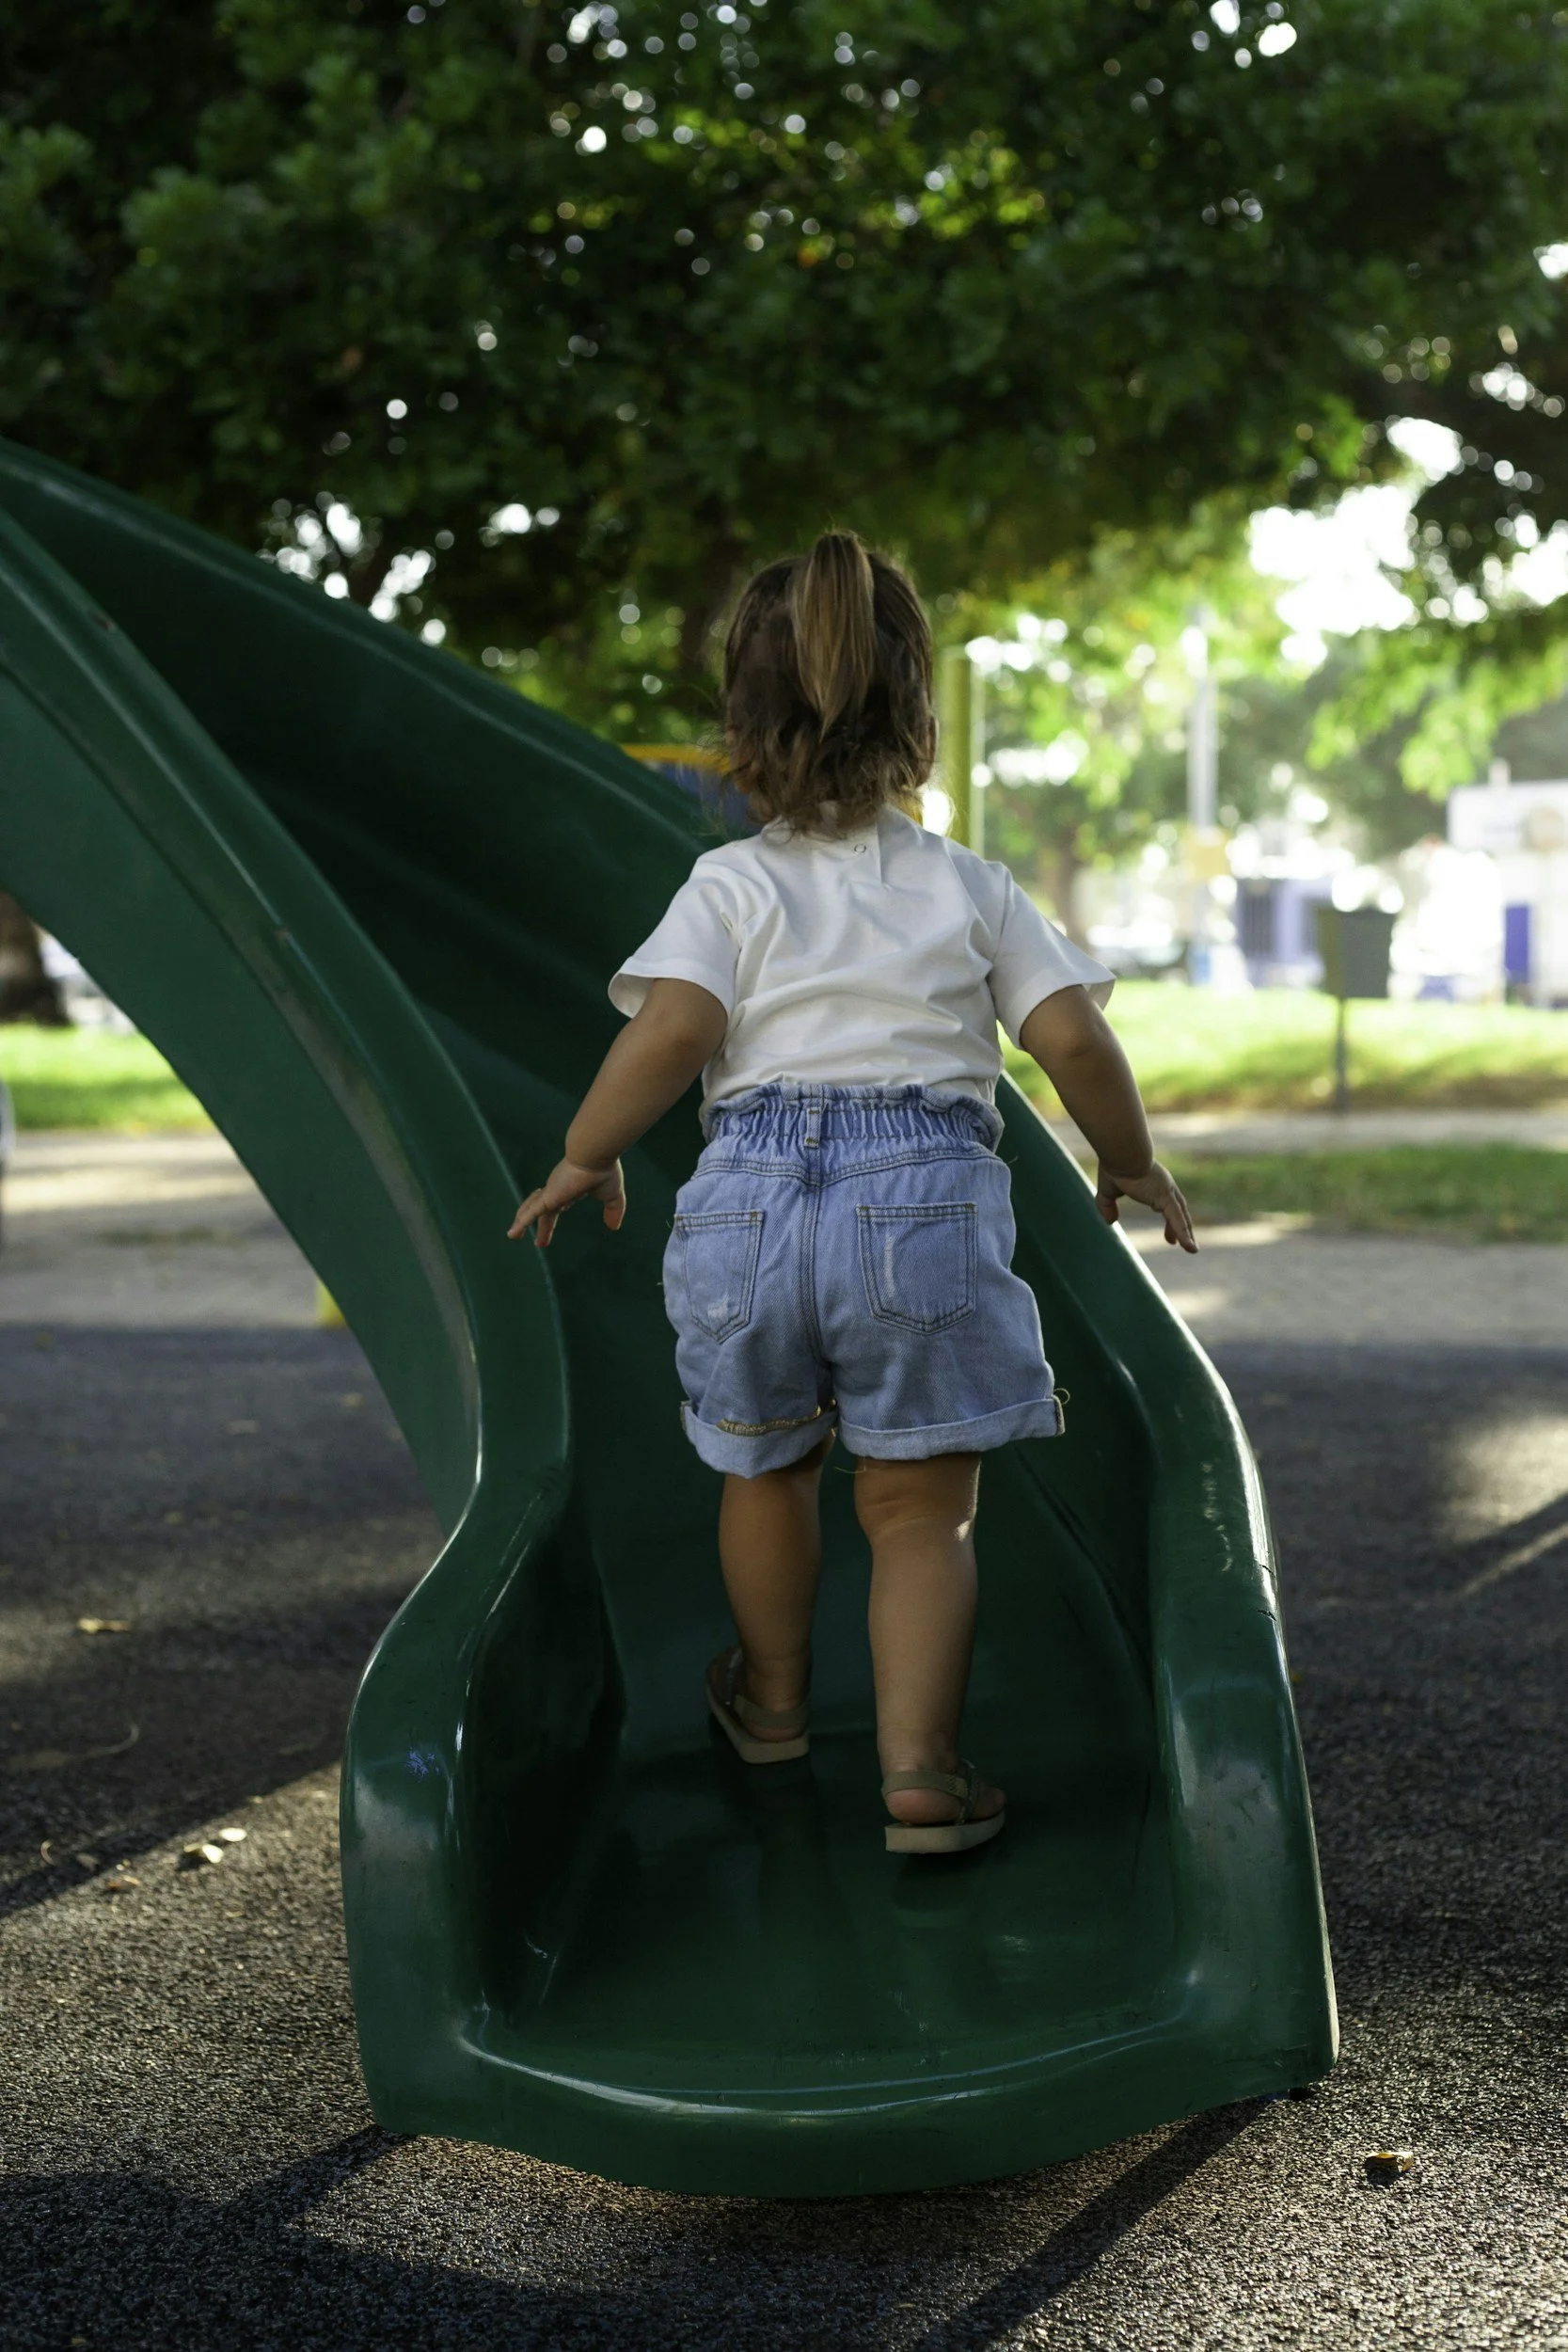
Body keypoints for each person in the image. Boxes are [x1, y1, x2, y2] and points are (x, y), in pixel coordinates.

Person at [509, 532, 1196, 1854]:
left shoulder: (729, 884)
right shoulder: (968, 889)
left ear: (742, 731)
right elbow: (1070, 1046)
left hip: (745, 1207)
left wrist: (583, 1156)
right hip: (923, 1202)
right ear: (919, 718)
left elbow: (665, 1039)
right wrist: (1126, 1159)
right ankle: (920, 1773)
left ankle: (768, 1708)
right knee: (917, 1511)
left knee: (765, 1472)